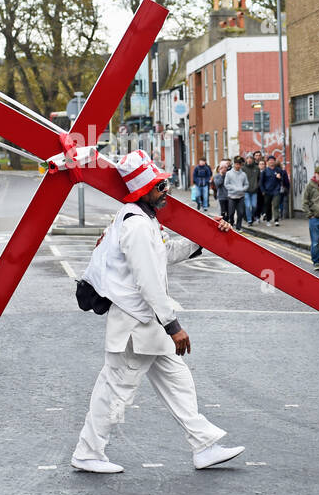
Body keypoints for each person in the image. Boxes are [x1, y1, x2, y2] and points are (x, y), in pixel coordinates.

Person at [72, 150, 243, 473]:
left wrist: (202, 239)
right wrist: (173, 325)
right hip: (136, 327)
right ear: (143, 189)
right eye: (159, 186)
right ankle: (87, 451)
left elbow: (162, 255)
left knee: (178, 382)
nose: (166, 190)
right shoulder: (136, 224)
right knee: (114, 391)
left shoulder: (143, 218)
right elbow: (148, 281)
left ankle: (204, 445)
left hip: (146, 326)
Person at [224, 156, 249, 231]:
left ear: (241, 165)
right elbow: (226, 184)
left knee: (240, 213)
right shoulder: (229, 173)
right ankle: (231, 224)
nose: (238, 166)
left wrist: (243, 189)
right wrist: (235, 189)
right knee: (231, 213)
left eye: (239, 164)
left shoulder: (243, 174)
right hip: (232, 196)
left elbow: (246, 184)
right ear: (234, 164)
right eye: (236, 164)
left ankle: (238, 227)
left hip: (240, 196)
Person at [260, 156, 284, 226]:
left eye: (273, 160)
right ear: (267, 162)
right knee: (268, 206)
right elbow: (261, 182)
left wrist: (280, 178)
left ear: (275, 161)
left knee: (276, 205)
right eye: (270, 160)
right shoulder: (265, 171)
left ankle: (276, 219)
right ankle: (268, 219)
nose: (271, 162)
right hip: (267, 191)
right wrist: (263, 190)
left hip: (276, 190)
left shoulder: (278, 170)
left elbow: (282, 180)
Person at [242, 152, 261, 226]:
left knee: (254, 206)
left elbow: (259, 178)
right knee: (247, 206)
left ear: (253, 160)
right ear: (246, 160)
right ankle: (249, 220)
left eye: (251, 158)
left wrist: (257, 185)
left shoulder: (257, 168)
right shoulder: (243, 168)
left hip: (254, 190)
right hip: (246, 191)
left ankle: (252, 216)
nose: (249, 160)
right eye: (248, 158)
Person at [276, 157, 292, 221]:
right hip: (282, 188)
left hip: (274, 189)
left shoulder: (273, 171)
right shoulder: (283, 171)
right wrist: (287, 188)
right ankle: (282, 214)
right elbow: (286, 181)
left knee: (276, 202)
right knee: (282, 201)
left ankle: (278, 213)